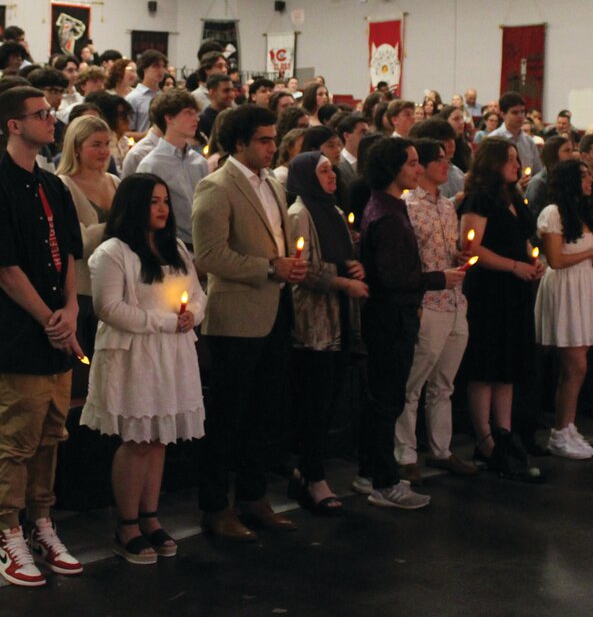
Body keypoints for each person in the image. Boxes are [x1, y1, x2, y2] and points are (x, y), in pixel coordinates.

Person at [0, 86, 85, 588]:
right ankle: (7, 533)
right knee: (15, 439)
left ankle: (41, 523)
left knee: (51, 435)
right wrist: (48, 318)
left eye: (51, 112)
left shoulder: (54, 186)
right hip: (18, 331)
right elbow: (4, 268)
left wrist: (72, 308)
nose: (51, 120)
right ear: (13, 125)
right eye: (41, 115)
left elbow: (70, 254)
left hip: (58, 325)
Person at [191, 104, 307, 541]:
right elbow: (209, 256)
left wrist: (287, 267)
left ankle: (254, 498)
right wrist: (269, 267)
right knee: (227, 416)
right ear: (238, 143)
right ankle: (215, 506)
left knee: (265, 412)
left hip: (274, 309)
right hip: (236, 315)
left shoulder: (273, 183)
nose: (272, 146)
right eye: (263, 139)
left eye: (274, 139)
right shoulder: (215, 186)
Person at [80, 174, 206, 565]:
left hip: (172, 354)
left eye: (165, 201)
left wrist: (191, 317)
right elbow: (108, 308)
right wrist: (167, 322)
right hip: (134, 354)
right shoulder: (113, 252)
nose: (163, 208)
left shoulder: (177, 249)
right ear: (134, 205)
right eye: (153, 201)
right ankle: (127, 523)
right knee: (137, 439)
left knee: (159, 438)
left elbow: (198, 296)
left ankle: (150, 517)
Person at [354, 137, 464, 510]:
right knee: (387, 400)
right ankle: (385, 483)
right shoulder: (386, 213)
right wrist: (438, 279)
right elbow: (391, 276)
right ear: (393, 168)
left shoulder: (390, 206)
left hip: (395, 313)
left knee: (385, 399)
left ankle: (371, 472)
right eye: (413, 163)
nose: (419, 169)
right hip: (389, 316)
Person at [283, 152, 366, 517]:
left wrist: (354, 263)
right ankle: (312, 475)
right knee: (314, 403)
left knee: (331, 400)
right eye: (324, 170)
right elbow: (303, 270)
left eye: (333, 168)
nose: (333, 175)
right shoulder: (300, 213)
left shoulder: (332, 210)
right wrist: (341, 281)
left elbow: (338, 253)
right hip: (314, 322)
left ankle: (308, 471)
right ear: (306, 177)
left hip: (340, 320)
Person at [459, 137, 543, 481]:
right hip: (489, 288)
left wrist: (532, 262)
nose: (516, 163)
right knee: (486, 364)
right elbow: (470, 247)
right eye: (508, 158)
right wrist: (513, 265)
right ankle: (485, 439)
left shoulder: (516, 198)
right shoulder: (479, 198)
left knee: (507, 364)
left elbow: (524, 238)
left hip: (516, 288)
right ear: (492, 163)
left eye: (516, 157)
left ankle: (505, 433)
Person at [397, 140, 477, 479]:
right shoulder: (407, 205)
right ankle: (404, 454)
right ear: (422, 166)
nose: (446, 166)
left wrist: (459, 255)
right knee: (412, 384)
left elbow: (445, 249)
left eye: (447, 160)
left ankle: (441, 450)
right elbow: (406, 258)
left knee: (444, 384)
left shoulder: (447, 206)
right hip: (428, 302)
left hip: (455, 301)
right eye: (439, 161)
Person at [534, 159, 593, 459]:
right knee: (575, 365)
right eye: (583, 177)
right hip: (564, 287)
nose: (590, 181)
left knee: (578, 365)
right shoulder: (553, 213)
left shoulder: (582, 213)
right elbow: (555, 259)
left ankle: (566, 426)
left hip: (582, 285)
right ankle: (560, 430)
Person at [57, 115, 119, 354]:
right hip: (82, 289)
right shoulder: (62, 184)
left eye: (106, 144)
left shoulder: (114, 182)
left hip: (115, 288)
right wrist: (116, 226)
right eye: (96, 145)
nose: (104, 151)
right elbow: (74, 241)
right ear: (76, 148)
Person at [136, 90, 207, 248]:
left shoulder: (199, 162)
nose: (196, 119)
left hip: (201, 242)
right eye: (188, 113)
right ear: (169, 118)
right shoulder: (151, 164)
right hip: (170, 244)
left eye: (196, 113)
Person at [483, 92, 540, 191]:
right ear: (503, 114)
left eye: (522, 112)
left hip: (527, 193)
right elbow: (486, 173)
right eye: (515, 112)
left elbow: (538, 170)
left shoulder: (528, 141)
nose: (520, 116)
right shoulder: (493, 140)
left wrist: (531, 181)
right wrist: (514, 183)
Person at [125, 50, 167, 132]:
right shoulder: (133, 98)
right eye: (156, 66)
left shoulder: (164, 97)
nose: (161, 70)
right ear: (144, 68)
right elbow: (126, 133)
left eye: (163, 66)